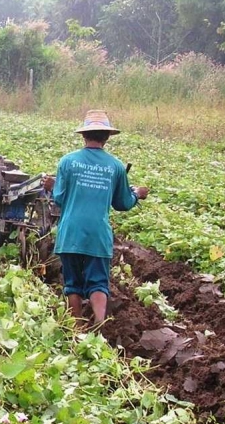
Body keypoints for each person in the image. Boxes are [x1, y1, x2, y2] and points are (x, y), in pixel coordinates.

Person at [43, 110, 149, 328]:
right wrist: (137, 194)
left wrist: (52, 187)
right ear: (107, 137)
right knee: (99, 282)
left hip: (70, 233)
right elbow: (122, 203)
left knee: (72, 284)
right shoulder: (116, 166)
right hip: (97, 235)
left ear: (84, 135)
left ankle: (77, 328)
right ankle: (100, 326)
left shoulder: (68, 162)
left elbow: (59, 198)